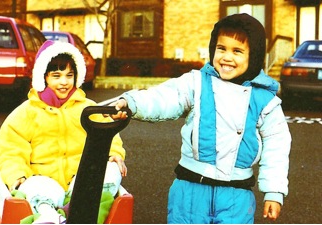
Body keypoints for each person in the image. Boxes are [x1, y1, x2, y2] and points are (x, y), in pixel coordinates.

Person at [111, 13, 291, 224]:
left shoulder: (264, 99)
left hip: (236, 196)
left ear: (254, 56)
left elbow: (277, 145)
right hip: (190, 189)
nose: (226, 57)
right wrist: (131, 103)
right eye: (221, 48)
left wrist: (274, 191)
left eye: (237, 51)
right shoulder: (197, 83)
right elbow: (165, 97)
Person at [0, 40, 127, 223]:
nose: (64, 82)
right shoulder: (25, 113)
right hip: (45, 180)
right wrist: (18, 175)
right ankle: (50, 216)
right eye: (56, 76)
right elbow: (11, 150)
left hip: (81, 183)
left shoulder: (88, 108)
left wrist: (114, 153)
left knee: (110, 170)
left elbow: (108, 136)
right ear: (44, 77)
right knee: (34, 187)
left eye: (69, 75)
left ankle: (85, 213)